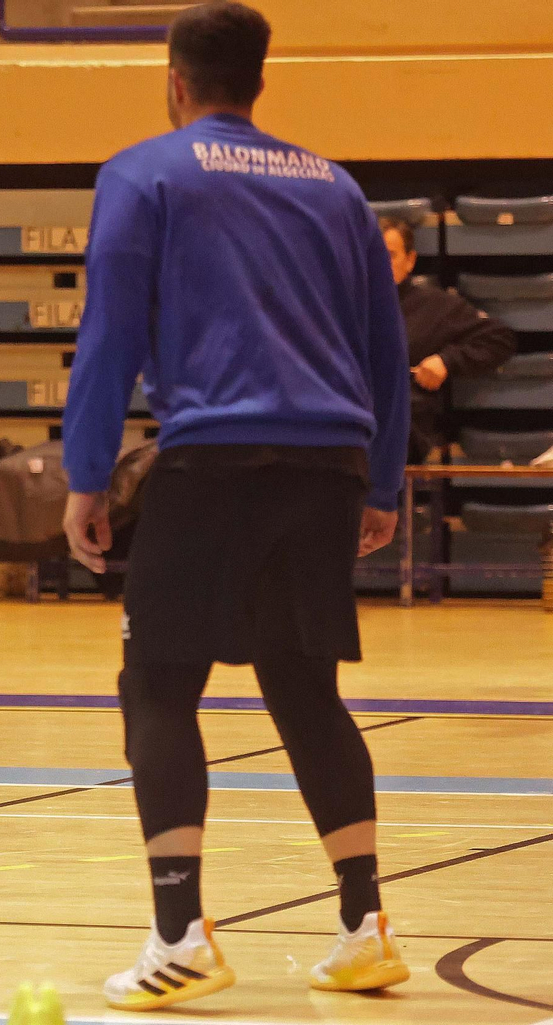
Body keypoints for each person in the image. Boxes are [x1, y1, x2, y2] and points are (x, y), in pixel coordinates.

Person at [60, 2, 411, 1010]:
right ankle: (365, 921)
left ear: (175, 79)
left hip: (215, 461)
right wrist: (378, 480)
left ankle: (179, 930)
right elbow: (383, 352)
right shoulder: (336, 188)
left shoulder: (145, 172)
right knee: (304, 689)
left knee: (158, 686)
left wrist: (86, 476)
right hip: (328, 467)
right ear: (260, 81)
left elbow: (109, 336)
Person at [380, 216, 516, 463]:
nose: (377, 265)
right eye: (370, 256)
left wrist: (447, 361)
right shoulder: (340, 306)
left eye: (389, 256)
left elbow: (500, 338)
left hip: (403, 428)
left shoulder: (435, 306)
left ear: (410, 261)